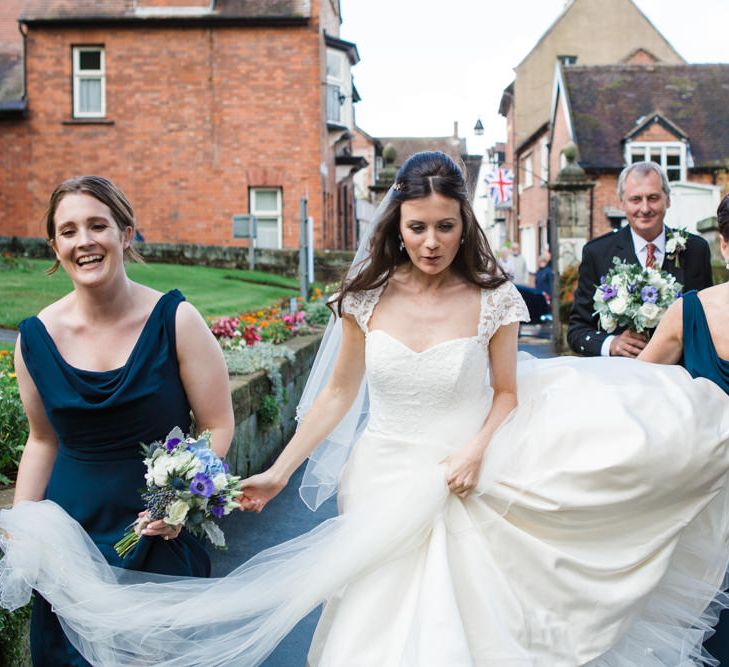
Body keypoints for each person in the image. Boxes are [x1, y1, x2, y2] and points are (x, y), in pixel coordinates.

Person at [2, 154, 729, 666]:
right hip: (381, 476)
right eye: (417, 227)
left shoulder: (495, 298)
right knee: (370, 635)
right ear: (397, 224)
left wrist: (477, 448)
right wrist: (281, 470)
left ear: (462, 224)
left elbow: (507, 391)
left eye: (445, 226)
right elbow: (338, 394)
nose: (431, 242)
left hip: (466, 474)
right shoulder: (362, 300)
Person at [12, 176, 234, 666]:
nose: (84, 241)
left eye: (98, 225)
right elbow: (42, 439)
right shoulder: (33, 339)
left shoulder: (176, 320)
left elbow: (218, 425)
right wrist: (23, 525)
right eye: (68, 231)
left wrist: (178, 502)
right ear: (55, 246)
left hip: (155, 535)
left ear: (126, 234)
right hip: (68, 545)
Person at [639, 192, 729, 664]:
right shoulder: (686, 312)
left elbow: (634, 393)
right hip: (708, 502)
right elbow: (638, 391)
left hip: (705, 497)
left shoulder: (688, 311)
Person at [568, 161, 713, 357]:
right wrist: (611, 344)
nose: (645, 208)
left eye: (653, 198)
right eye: (636, 199)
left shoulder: (696, 249)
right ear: (622, 203)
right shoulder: (597, 253)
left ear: (667, 200)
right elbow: (577, 331)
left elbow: (708, 321)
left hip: (680, 373)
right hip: (622, 376)